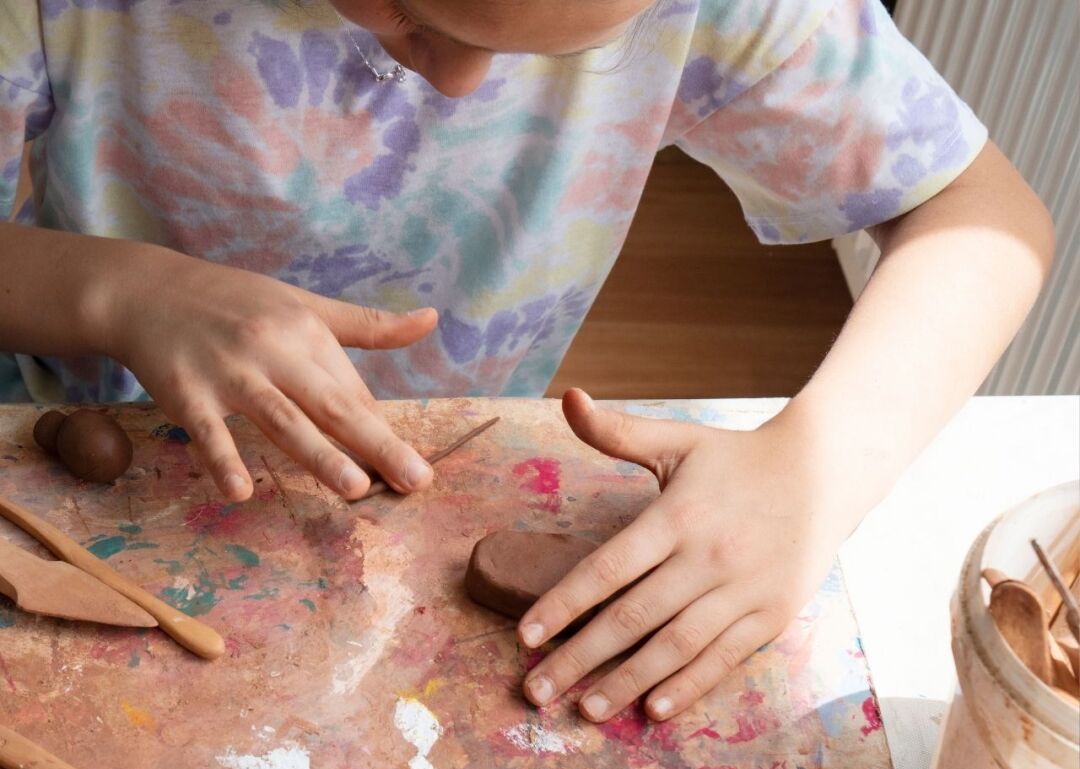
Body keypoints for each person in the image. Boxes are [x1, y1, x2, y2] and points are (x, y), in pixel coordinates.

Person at [0, 1, 1054, 722]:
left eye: (561, 46)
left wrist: (818, 468)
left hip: (438, 472)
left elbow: (981, 220)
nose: (456, 80)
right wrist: (117, 291)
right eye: (408, 7)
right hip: (74, 473)